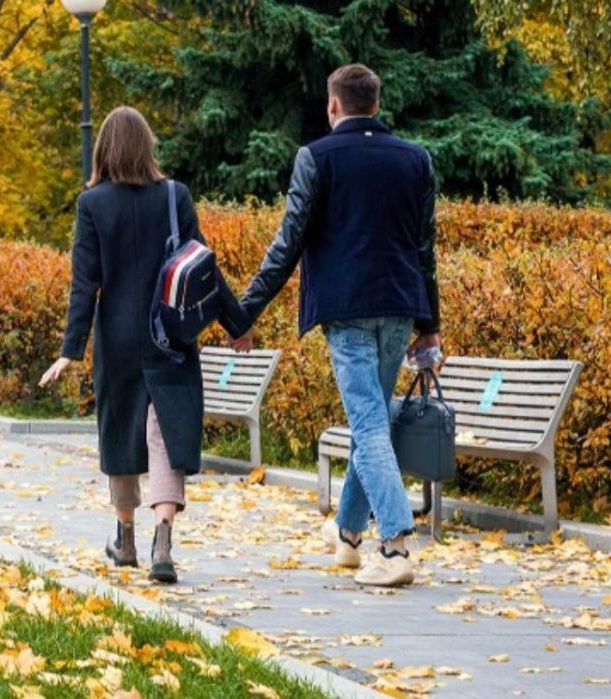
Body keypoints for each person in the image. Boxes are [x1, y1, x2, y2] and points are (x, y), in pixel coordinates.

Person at [231, 64, 441, 587]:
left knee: (368, 423)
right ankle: (348, 536)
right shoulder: (416, 160)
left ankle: (394, 547)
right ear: (376, 103)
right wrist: (430, 326)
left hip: (345, 311)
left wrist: (245, 313)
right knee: (371, 420)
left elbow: (288, 244)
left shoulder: (316, 158)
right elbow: (424, 251)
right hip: (398, 308)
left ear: (333, 106)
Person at [40, 106, 251, 585]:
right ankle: (163, 538)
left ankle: (126, 538)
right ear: (147, 145)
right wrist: (235, 324)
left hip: (117, 340)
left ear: (104, 149)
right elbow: (203, 269)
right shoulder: (175, 196)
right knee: (164, 436)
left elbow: (84, 284)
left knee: (121, 436)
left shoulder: (91, 204)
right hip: (170, 338)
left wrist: (70, 349)